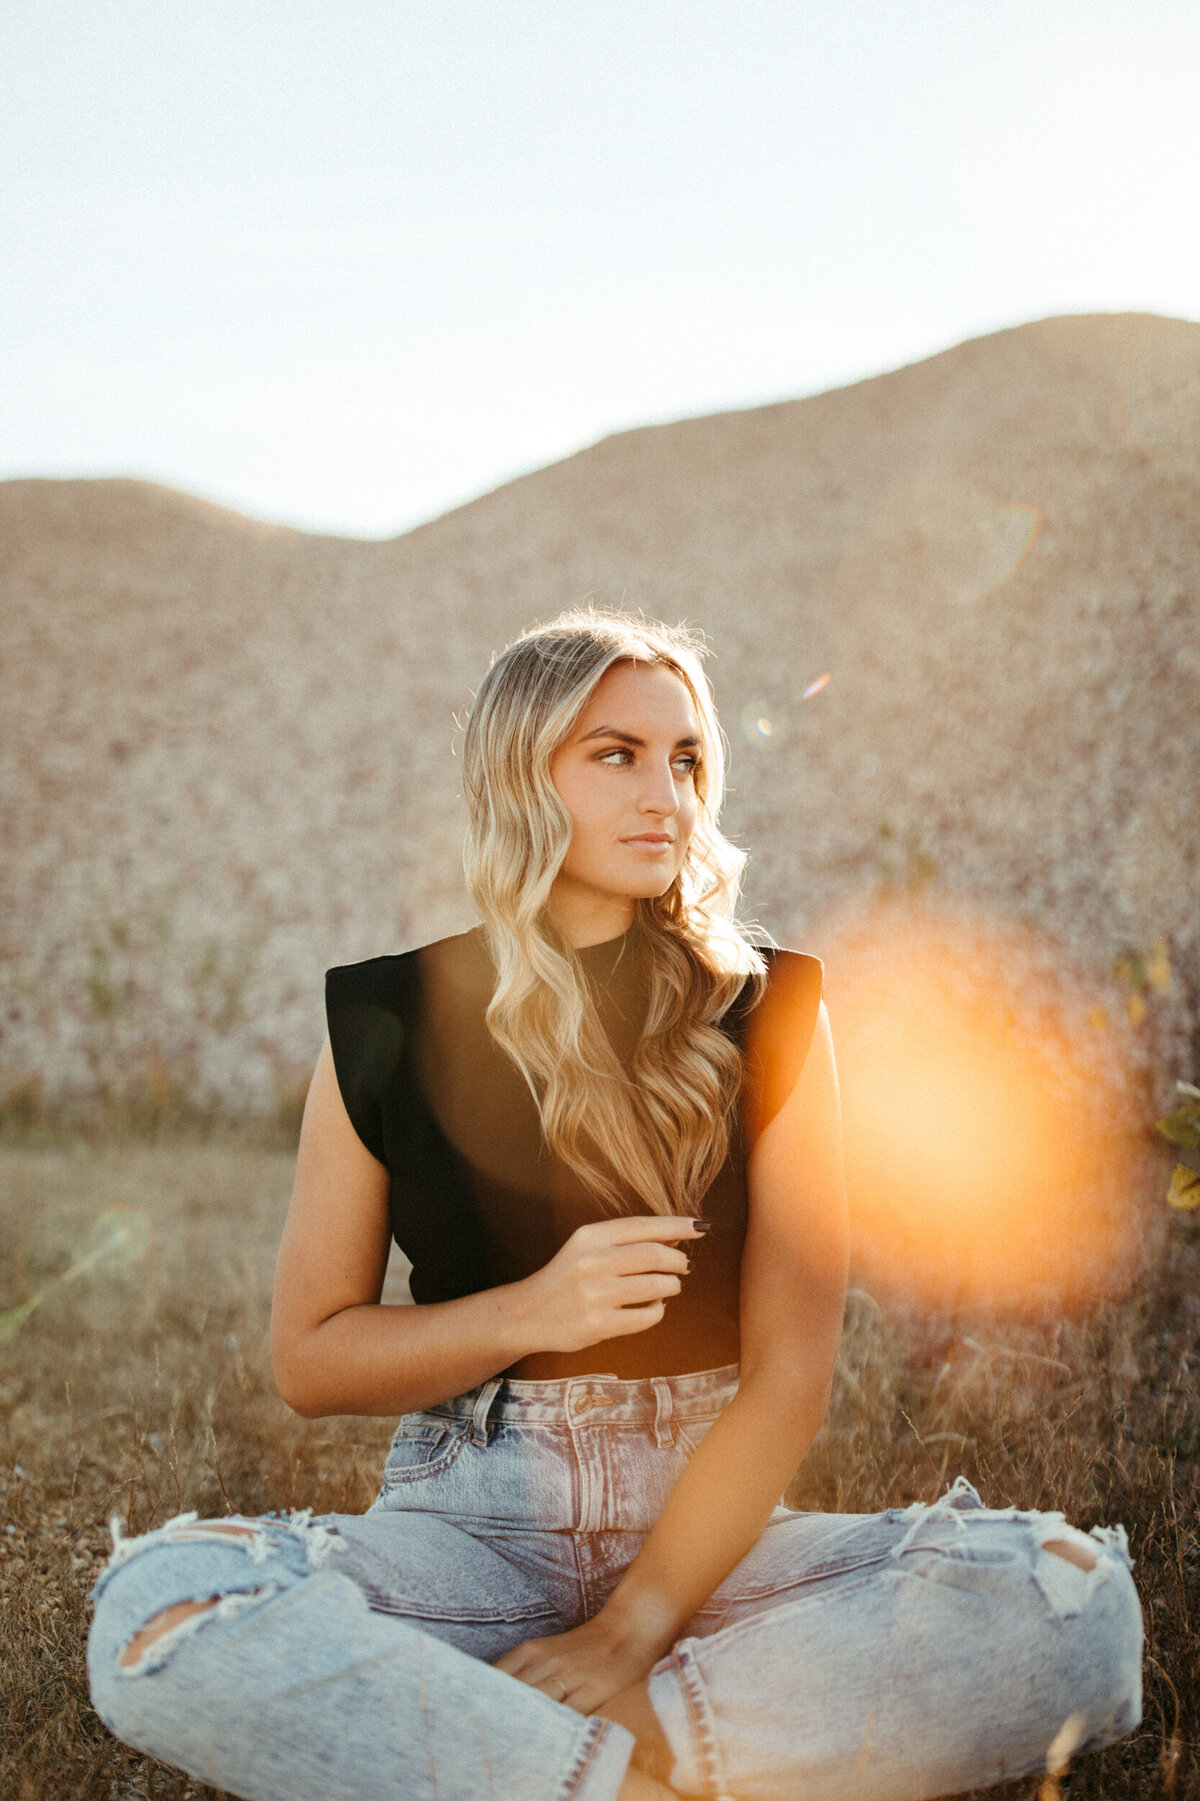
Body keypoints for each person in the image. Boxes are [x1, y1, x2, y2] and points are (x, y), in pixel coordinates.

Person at [88, 611, 1143, 1801]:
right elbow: (311, 1358)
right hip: (466, 1537)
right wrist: (534, 1308)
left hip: (711, 1549)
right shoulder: (381, 1018)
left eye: (687, 758)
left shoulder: (773, 1009)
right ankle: (630, 1775)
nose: (668, 796)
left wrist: (636, 1627)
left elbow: (792, 1372)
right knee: (160, 1606)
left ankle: (580, 1738)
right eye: (617, 755)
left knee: (1076, 1598)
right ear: (521, 772)